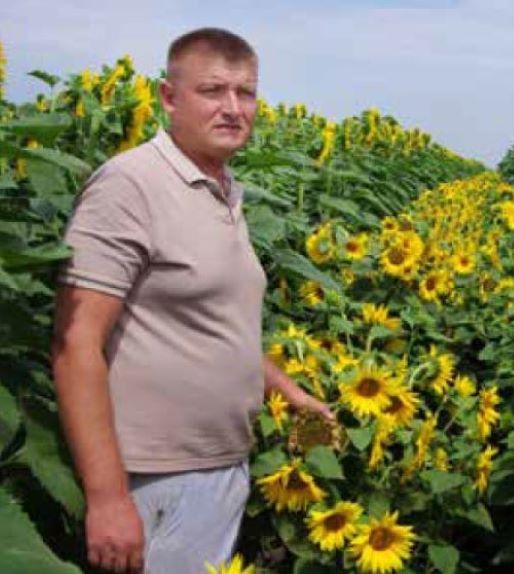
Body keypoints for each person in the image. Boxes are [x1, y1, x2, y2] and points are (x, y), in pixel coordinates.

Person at [52, 28, 331, 574]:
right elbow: (74, 344)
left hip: (221, 465)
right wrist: (108, 498)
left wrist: (290, 392)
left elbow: (217, 326)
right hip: (154, 478)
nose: (233, 108)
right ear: (168, 97)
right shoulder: (131, 185)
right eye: (212, 90)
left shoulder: (223, 188)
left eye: (245, 92)